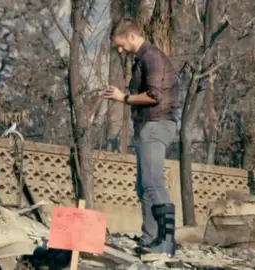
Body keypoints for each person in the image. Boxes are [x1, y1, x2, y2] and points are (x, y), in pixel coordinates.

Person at [103, 18, 180, 257]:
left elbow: (154, 95)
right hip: (147, 126)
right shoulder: (141, 60)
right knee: (144, 187)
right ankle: (150, 240)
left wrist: (124, 99)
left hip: (157, 125)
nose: (120, 49)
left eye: (121, 43)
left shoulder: (151, 57)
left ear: (132, 36)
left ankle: (166, 242)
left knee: (153, 183)